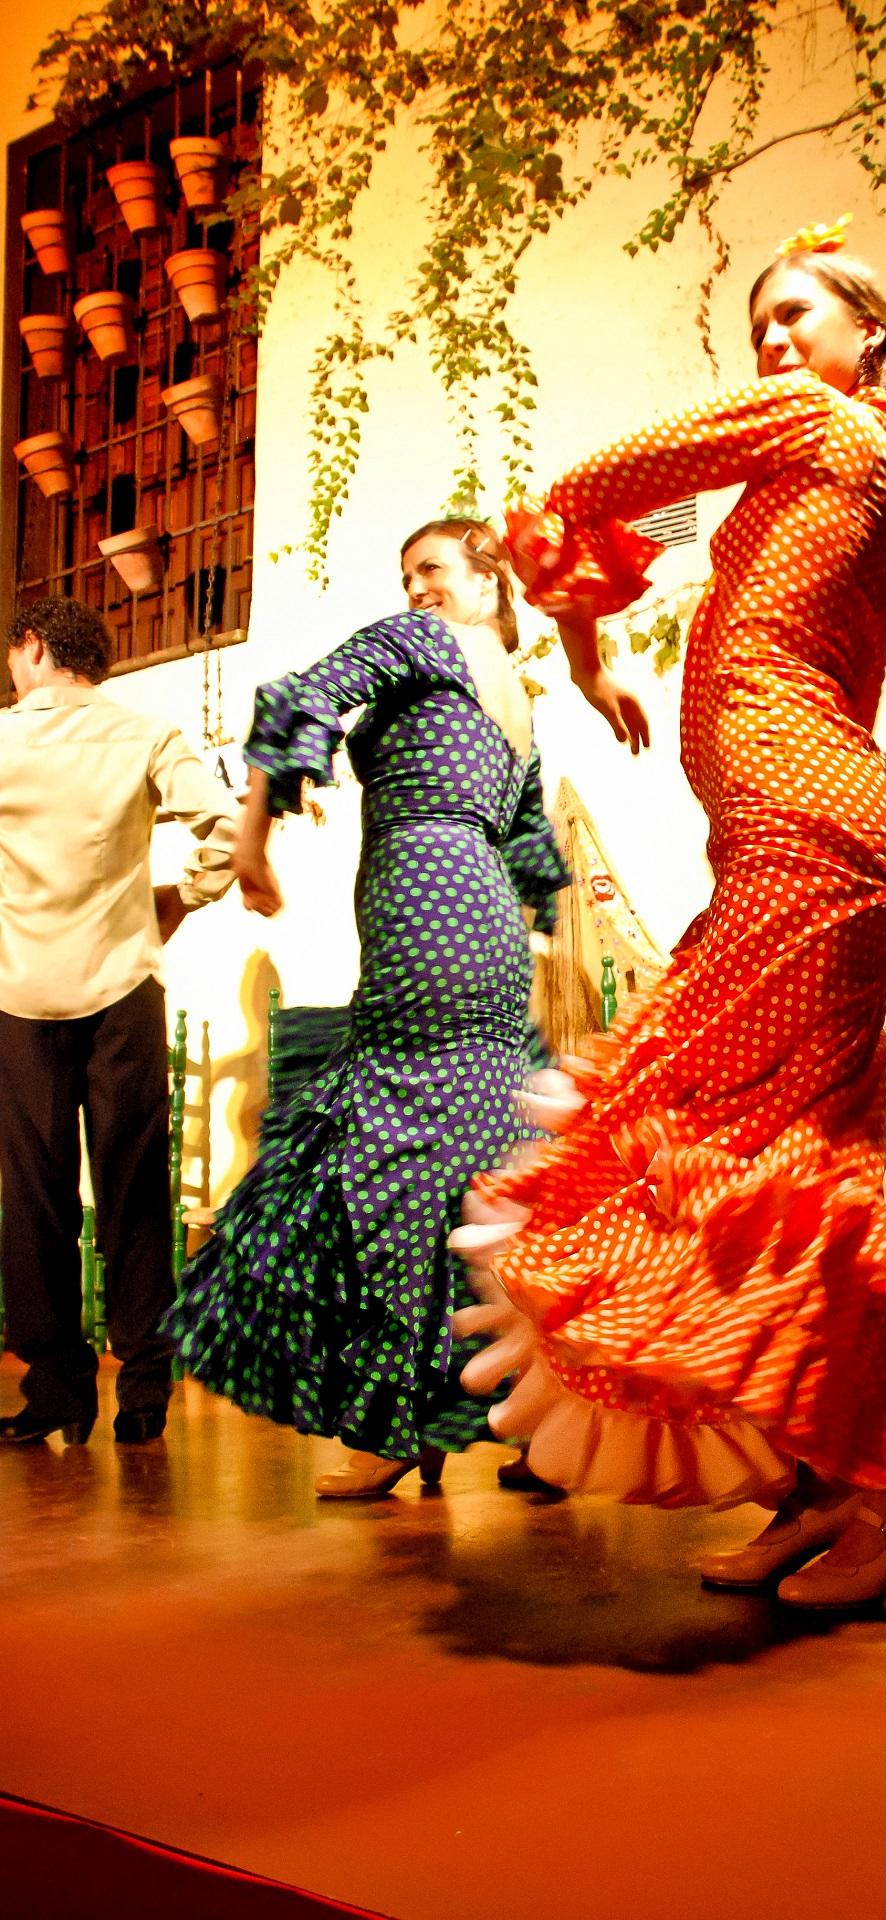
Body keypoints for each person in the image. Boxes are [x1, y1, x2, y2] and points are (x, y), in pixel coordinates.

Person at [452, 220, 886, 1611]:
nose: (770, 338)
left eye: (796, 311)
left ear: (864, 336)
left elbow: (585, 483)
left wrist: (581, 649)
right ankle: (849, 1487)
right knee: (805, 1179)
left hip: (808, 840)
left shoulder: (813, 420)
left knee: (726, 1141)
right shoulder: (859, 461)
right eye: (756, 321)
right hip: (812, 838)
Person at [165, 520, 571, 1497]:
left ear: (486, 579)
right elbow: (528, 861)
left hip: (423, 916)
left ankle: (398, 1425)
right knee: (487, 1183)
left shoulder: (422, 640)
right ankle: (540, 1425)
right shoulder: (517, 692)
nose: (414, 586)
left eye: (431, 568)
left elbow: (300, 696)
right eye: (405, 575)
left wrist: (253, 838)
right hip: (481, 940)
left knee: (388, 1177)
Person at [0, 596, 239, 1447]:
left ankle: (59, 1391)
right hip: (122, 990)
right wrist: (187, 894)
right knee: (136, 1193)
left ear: (30, 648)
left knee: (33, 1202)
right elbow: (227, 823)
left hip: (19, 998)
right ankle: (143, 1391)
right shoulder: (144, 734)